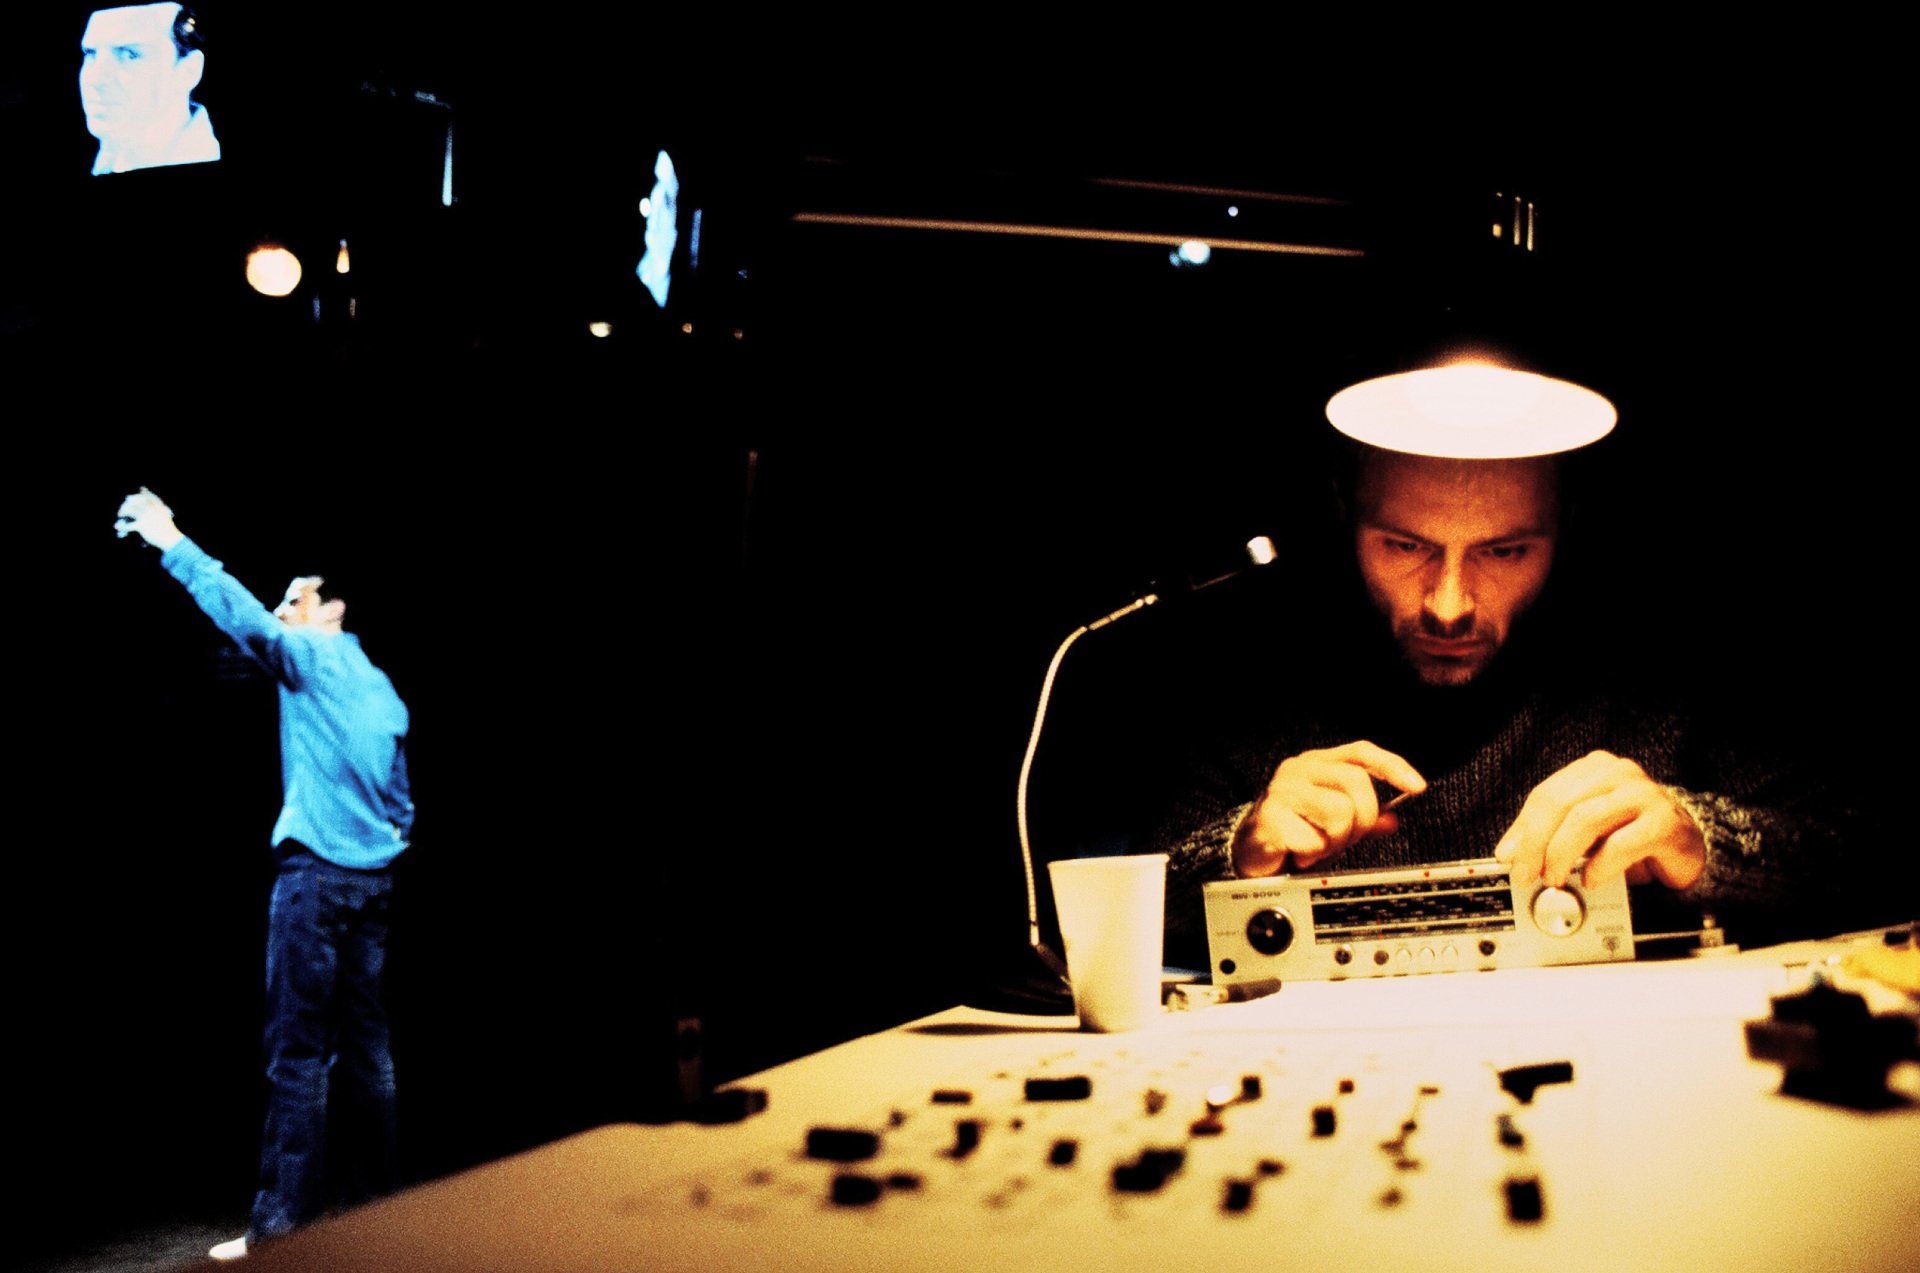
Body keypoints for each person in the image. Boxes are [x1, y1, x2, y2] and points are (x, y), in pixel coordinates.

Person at [1147, 445, 1860, 964]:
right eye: (1404, 545)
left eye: (1505, 551)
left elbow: (1869, 856)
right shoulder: (1256, 673)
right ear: (1344, 510)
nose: (1448, 605)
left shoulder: (1666, 660)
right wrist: (1237, 851)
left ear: (1566, 523)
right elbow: (1129, 908)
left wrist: (1700, 838)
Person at [115, 488, 411, 1259]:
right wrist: (385, 842)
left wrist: (169, 537)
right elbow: (401, 800)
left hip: (316, 881)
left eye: (295, 600)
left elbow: (238, 610)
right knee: (370, 1052)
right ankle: (381, 1215)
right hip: (374, 884)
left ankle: (283, 1231)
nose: (282, 612)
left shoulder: (309, 658)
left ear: (332, 609)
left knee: (298, 1052)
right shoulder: (383, 691)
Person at [80, 3, 221, 176]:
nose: (95, 79)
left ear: (188, 72)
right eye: (91, 54)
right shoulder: (109, 160)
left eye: (130, 55)